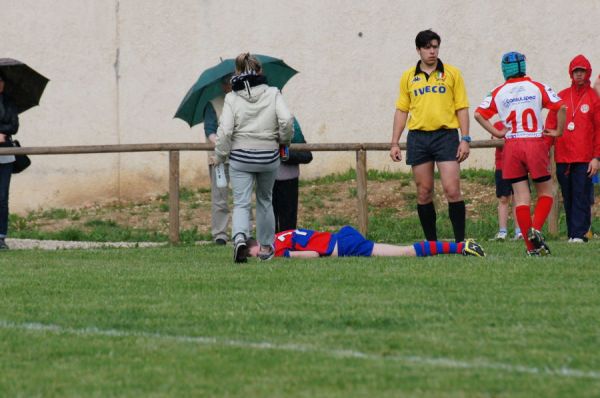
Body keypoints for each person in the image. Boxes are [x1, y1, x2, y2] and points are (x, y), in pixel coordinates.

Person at [474, 51, 566, 256]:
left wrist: (497, 132)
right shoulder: (537, 87)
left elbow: (478, 114)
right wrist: (559, 131)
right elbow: (561, 107)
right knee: (546, 192)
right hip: (534, 142)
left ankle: (530, 247)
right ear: (524, 67)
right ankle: (536, 229)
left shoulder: (498, 92)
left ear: (504, 70)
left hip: (512, 145)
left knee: (521, 198)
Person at [389, 29, 471, 243]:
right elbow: (402, 110)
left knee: (452, 189)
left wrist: (465, 138)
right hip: (418, 137)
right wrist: (395, 142)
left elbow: (462, 107)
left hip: (446, 136)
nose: (432, 51)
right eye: (427, 47)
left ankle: (460, 243)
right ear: (418, 50)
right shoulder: (408, 76)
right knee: (424, 192)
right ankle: (432, 244)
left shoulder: (452, 74)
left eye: (435, 47)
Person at [215, 53, 293, 263]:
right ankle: (266, 247)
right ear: (260, 71)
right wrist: (284, 141)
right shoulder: (273, 93)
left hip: (240, 157)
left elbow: (225, 131)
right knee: (265, 200)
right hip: (269, 155)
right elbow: (286, 120)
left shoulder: (232, 97)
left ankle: (240, 238)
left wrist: (220, 155)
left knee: (241, 202)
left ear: (238, 73)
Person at [544, 55, 600, 243]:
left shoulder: (594, 98)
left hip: (585, 158)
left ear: (588, 73)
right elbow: (551, 124)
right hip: (563, 157)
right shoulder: (561, 96)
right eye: (576, 71)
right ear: (571, 73)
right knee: (567, 196)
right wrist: (545, 151)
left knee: (581, 195)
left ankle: (580, 233)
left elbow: (599, 130)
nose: (578, 74)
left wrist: (596, 158)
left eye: (582, 71)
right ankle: (572, 233)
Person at [241, 225, 485, 258]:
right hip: (342, 236)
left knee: (405, 252)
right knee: (403, 251)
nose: (259, 257)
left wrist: (284, 256)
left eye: (255, 255)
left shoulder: (277, 247)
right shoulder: (279, 235)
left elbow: (314, 255)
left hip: (346, 246)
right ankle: (459, 246)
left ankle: (461, 246)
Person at [204, 74, 233, 245]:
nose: (231, 86)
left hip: (240, 157)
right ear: (223, 86)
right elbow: (210, 131)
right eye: (228, 83)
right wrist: (222, 143)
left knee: (242, 196)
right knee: (219, 196)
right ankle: (220, 234)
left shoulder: (244, 103)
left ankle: (243, 231)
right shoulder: (213, 104)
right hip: (219, 159)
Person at [273, 118, 312, 232]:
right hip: (268, 178)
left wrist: (284, 153)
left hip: (289, 178)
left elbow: (306, 154)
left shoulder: (291, 121)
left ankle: (286, 244)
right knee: (270, 218)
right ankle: (271, 246)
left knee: (288, 220)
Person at [491, 121, 522, 241]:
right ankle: (502, 231)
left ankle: (519, 231)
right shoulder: (498, 124)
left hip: (518, 165)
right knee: (503, 198)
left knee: (518, 198)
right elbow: (496, 141)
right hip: (502, 166)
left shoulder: (520, 123)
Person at [0, 75, 19, 250]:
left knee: (2, 197)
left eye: (0, 81)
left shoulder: (9, 102)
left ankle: (1, 236)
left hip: (5, 154)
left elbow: (14, 126)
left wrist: (2, 134)